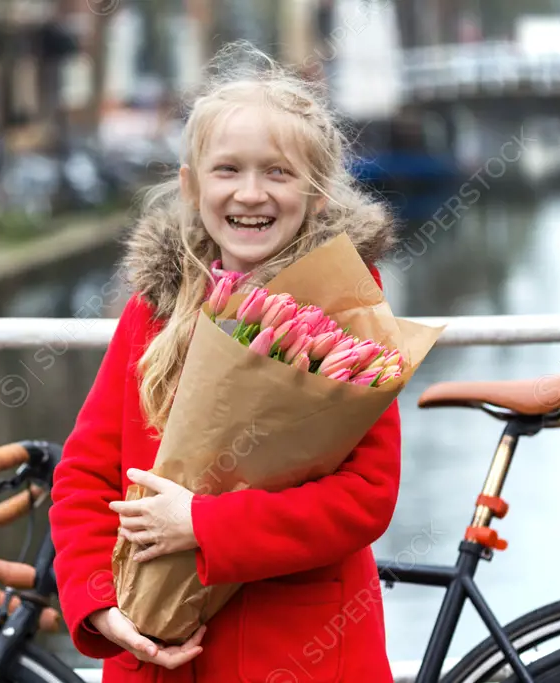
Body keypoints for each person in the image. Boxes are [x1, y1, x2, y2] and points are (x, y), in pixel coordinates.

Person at [48, 41, 402, 682]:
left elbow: (366, 496)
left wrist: (204, 525)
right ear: (191, 185)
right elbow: (84, 477)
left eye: (279, 172)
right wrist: (100, 604)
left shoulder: (344, 311)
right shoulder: (152, 310)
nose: (251, 192)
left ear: (318, 194)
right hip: (154, 653)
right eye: (227, 169)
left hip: (301, 650)